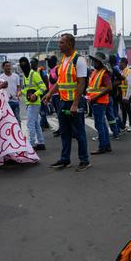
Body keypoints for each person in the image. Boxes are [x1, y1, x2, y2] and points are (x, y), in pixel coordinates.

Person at [41, 33, 91, 171]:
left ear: (69, 44)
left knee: (79, 132)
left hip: (74, 103)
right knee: (65, 132)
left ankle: (84, 160)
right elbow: (60, 81)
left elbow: (81, 83)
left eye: (61, 43)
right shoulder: (63, 60)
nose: (59, 45)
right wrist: (50, 93)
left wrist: (75, 104)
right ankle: (65, 159)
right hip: (63, 102)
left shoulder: (79, 60)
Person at [18, 57, 48, 151]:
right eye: (21, 64)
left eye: (25, 63)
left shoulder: (34, 74)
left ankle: (30, 144)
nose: (23, 66)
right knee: (35, 124)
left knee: (30, 124)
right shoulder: (24, 76)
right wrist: (21, 92)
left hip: (34, 103)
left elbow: (43, 87)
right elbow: (27, 89)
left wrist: (35, 94)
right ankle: (41, 143)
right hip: (29, 103)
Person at [87, 52, 114, 154]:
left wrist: (94, 98)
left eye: (95, 60)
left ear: (100, 62)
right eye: (93, 60)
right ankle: (106, 146)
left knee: (99, 125)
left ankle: (102, 146)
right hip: (96, 102)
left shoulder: (104, 73)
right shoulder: (96, 72)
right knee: (102, 124)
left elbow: (109, 88)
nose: (94, 62)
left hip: (99, 102)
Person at [0, 61, 22, 127]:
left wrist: (18, 93)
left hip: (15, 101)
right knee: (7, 120)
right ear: (3, 67)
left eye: (9, 66)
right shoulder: (0, 77)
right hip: (5, 102)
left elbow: (18, 87)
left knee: (17, 119)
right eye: (6, 66)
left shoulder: (16, 76)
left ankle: (19, 135)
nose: (8, 67)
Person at [118, 57, 131, 131]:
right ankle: (123, 125)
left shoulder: (129, 71)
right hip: (122, 95)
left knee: (128, 110)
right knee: (123, 111)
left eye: (120, 62)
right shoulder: (122, 72)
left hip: (128, 95)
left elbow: (130, 85)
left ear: (124, 63)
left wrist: (127, 97)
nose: (119, 64)